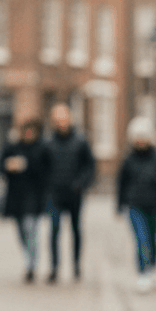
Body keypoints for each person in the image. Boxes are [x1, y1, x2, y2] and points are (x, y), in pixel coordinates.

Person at [117, 116, 156, 292]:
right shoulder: (128, 160)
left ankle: (153, 267)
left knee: (152, 238)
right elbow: (122, 183)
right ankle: (143, 272)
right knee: (141, 239)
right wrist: (120, 204)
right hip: (135, 205)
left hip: (155, 204)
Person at [44, 103, 95, 282]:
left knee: (76, 230)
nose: (61, 123)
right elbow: (43, 167)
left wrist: (81, 183)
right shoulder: (48, 143)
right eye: (57, 120)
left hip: (75, 193)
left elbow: (89, 166)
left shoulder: (80, 141)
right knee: (54, 230)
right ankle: (54, 267)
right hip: (55, 194)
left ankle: (76, 265)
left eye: (63, 119)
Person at [1, 118, 50, 282]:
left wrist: (27, 165)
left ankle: (31, 264)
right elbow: (2, 165)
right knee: (21, 231)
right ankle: (28, 256)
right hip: (15, 196)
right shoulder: (12, 147)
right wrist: (9, 166)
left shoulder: (41, 148)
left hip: (34, 196)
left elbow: (45, 170)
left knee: (31, 229)